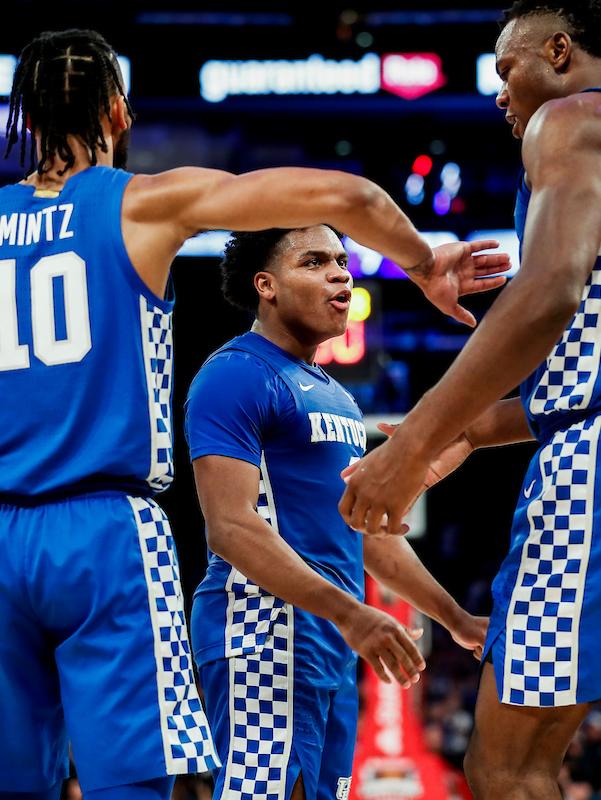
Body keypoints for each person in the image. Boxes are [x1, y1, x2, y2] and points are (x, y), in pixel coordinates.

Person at [0, 28, 507, 800]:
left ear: (25, 119)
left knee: (7, 789)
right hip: (106, 530)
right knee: (138, 782)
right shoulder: (145, 206)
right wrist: (425, 262)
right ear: (117, 112)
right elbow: (347, 196)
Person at [340, 2, 601, 798]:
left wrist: (413, 442)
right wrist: (467, 436)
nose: (500, 93)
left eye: (506, 68)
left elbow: (548, 293)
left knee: (506, 766)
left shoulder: (571, 116)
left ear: (559, 50)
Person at [185, 224, 491, 800]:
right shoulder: (235, 374)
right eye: (315, 261)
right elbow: (230, 527)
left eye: (343, 260)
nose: (340, 273)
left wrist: (455, 620)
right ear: (266, 285)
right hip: (261, 631)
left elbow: (368, 533)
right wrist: (353, 614)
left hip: (328, 639)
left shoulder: (338, 397)